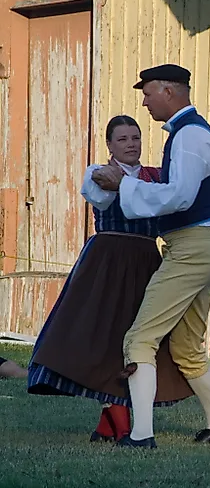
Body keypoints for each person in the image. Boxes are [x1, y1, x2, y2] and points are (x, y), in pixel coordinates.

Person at [27, 115, 193, 443]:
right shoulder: (97, 172)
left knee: (135, 341)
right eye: (123, 139)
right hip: (106, 262)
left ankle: (109, 424)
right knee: (102, 338)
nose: (131, 144)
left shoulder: (157, 176)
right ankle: (117, 422)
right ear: (110, 145)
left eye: (135, 138)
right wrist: (128, 182)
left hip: (145, 261)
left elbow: (178, 198)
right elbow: (102, 195)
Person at [94, 65, 210, 449]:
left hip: (191, 247)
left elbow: (180, 196)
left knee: (139, 339)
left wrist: (125, 183)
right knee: (187, 347)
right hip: (202, 246)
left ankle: (141, 435)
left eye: (148, 92)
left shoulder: (188, 135)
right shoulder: (192, 132)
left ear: (169, 90)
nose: (144, 100)